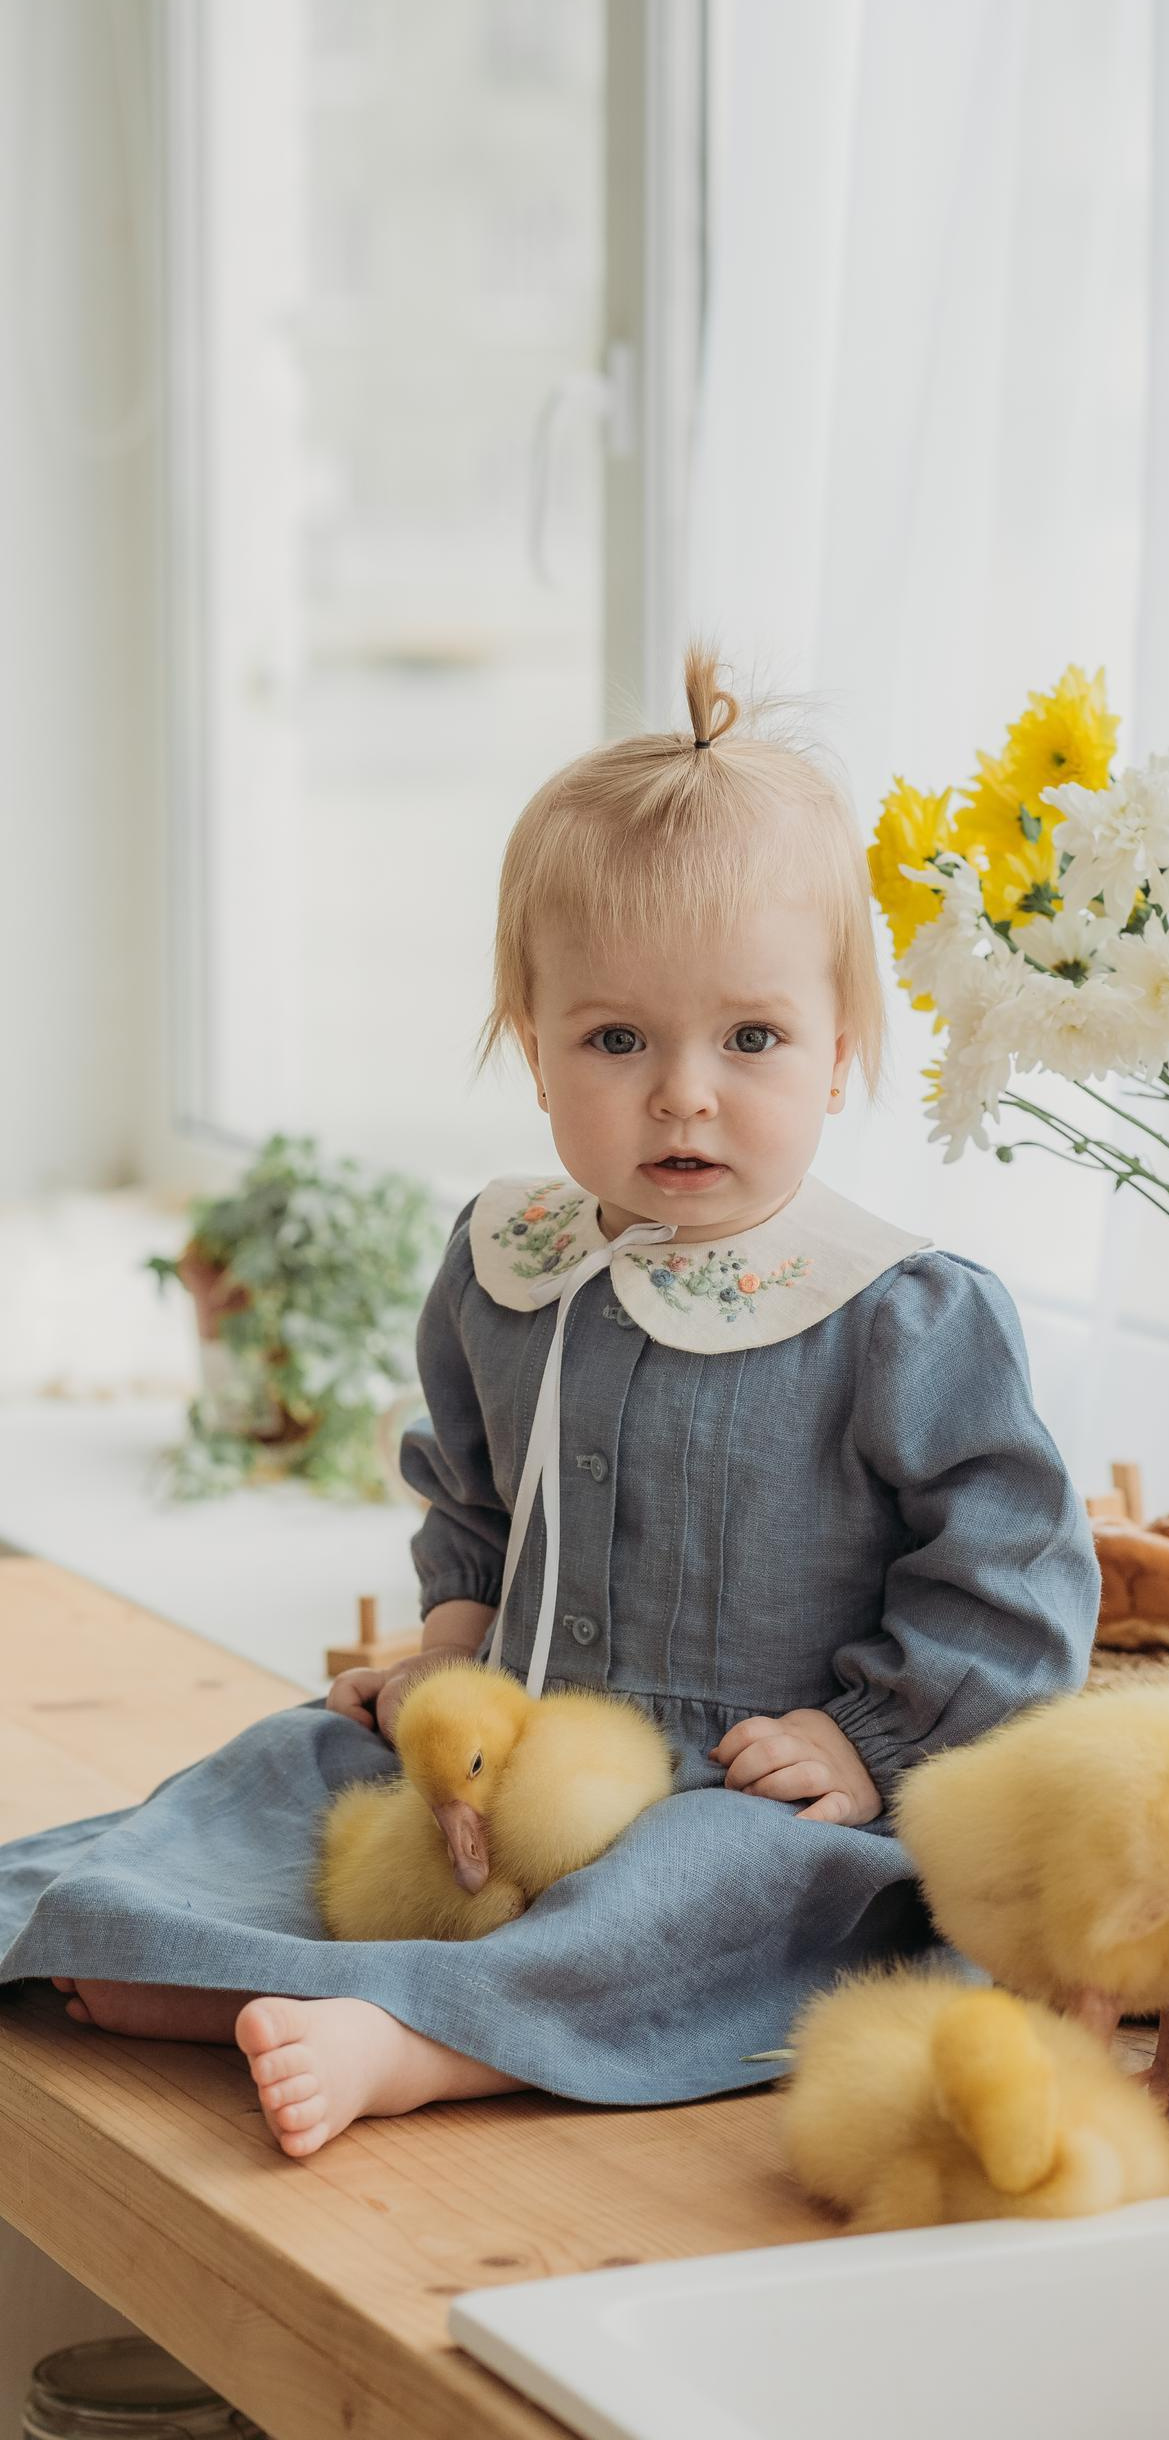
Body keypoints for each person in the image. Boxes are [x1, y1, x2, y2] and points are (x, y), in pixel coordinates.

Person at [0, 650, 1100, 2158]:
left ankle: (423, 2044)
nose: (684, 1092)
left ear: (843, 1049)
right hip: (502, 1751)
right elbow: (471, 1486)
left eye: (752, 1038)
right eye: (616, 1040)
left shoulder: (895, 1311)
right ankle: (169, 1937)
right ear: (533, 1048)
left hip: (746, 1780)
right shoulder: (510, 1259)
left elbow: (1015, 1578)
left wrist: (869, 1745)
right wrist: (448, 1647)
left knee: (707, 1892)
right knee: (278, 1773)